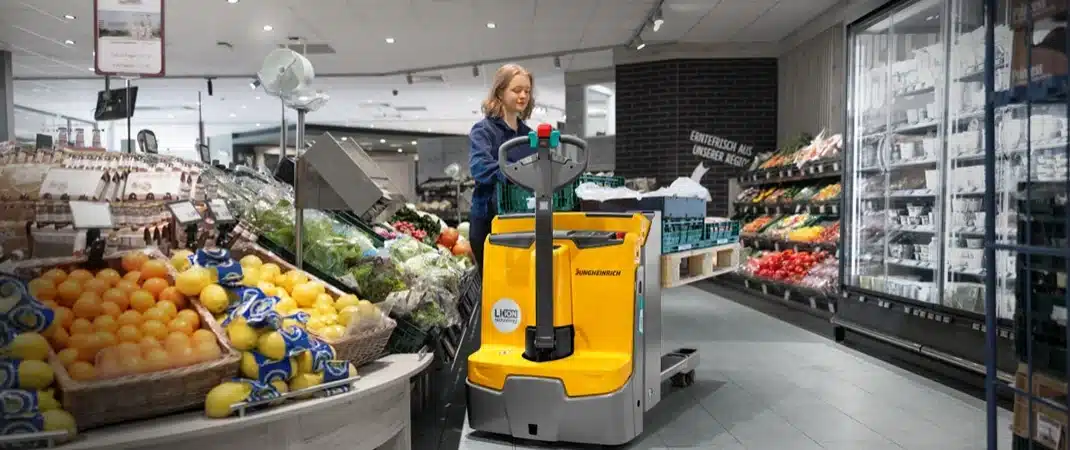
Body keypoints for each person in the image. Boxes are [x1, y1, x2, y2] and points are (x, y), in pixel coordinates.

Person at [468, 63, 537, 273]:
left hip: (522, 223)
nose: (523, 96)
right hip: (489, 222)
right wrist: (516, 172)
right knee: (494, 283)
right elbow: (480, 168)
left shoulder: (529, 135)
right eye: (516, 90)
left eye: (527, 91)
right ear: (500, 91)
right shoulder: (483, 131)